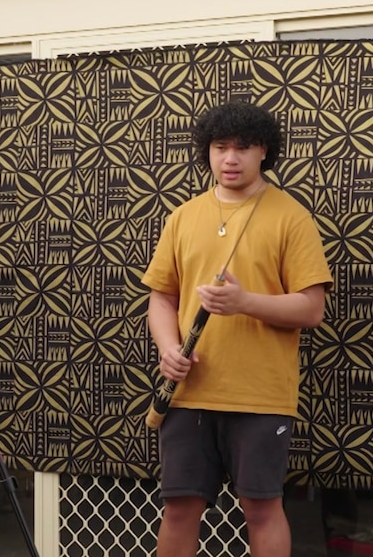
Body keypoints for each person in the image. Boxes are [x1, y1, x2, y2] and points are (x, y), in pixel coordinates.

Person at [142, 100, 333, 557]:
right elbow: (161, 298)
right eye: (220, 147)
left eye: (242, 148)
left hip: (260, 395)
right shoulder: (184, 216)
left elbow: (312, 309)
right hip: (188, 394)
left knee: (262, 508)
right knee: (179, 509)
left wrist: (245, 302)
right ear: (206, 151)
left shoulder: (292, 217)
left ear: (264, 151)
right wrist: (169, 349)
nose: (230, 158)